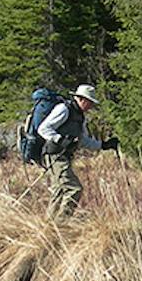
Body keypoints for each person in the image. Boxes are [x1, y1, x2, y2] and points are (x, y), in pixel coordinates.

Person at [36, 83, 119, 217]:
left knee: (60, 190)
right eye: (90, 102)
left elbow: (83, 140)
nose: (91, 106)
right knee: (73, 188)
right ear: (82, 99)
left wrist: (104, 145)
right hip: (55, 155)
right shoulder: (64, 109)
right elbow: (43, 128)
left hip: (64, 156)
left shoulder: (80, 116)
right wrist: (60, 140)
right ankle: (61, 223)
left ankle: (50, 225)